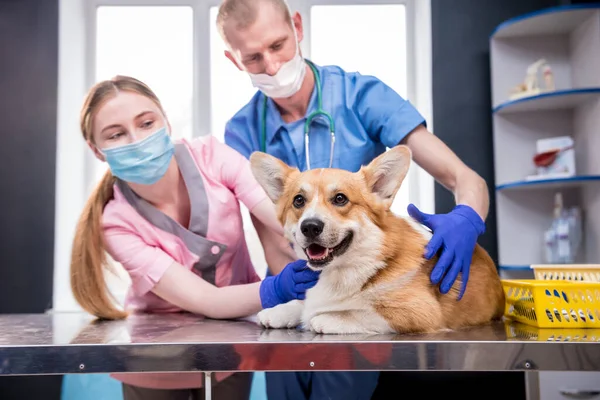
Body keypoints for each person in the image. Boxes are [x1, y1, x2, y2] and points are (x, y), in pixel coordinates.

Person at [215, 0, 490, 398]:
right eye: (254, 57)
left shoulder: (361, 95)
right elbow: (276, 235)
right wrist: (300, 297)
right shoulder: (242, 130)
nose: (272, 66)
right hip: (309, 284)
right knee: (284, 372)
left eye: (277, 45)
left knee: (341, 375)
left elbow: (466, 178)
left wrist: (466, 216)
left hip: (363, 287)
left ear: (297, 25)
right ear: (233, 59)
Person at [69, 75, 320, 400]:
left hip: (231, 348)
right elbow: (207, 300)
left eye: (146, 123)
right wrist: (277, 287)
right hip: (155, 360)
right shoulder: (116, 224)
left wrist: (342, 238)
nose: (136, 140)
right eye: (116, 134)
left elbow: (281, 216)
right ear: (97, 150)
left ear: (165, 121)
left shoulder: (213, 156)